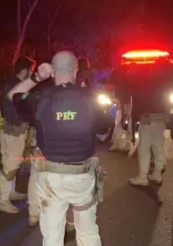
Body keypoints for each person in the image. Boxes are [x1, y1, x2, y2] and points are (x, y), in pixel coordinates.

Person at [8, 51, 108, 246]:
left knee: (52, 237)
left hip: (50, 178)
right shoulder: (91, 98)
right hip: (82, 176)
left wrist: (36, 77)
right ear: (76, 69)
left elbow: (13, 95)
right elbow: (104, 133)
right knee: (87, 232)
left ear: (52, 72)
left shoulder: (40, 99)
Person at [0, 57, 40, 226]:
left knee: (13, 162)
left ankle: (11, 192)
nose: (32, 74)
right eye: (31, 70)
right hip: (13, 131)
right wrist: (23, 122)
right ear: (25, 71)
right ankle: (3, 200)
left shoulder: (12, 83)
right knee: (10, 166)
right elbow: (10, 111)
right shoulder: (13, 86)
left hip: (15, 130)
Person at [128, 66, 168, 186]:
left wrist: (133, 133)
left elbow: (136, 109)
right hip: (160, 119)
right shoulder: (159, 86)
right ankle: (157, 173)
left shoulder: (140, 89)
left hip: (147, 120)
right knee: (158, 147)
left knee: (144, 149)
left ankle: (143, 177)